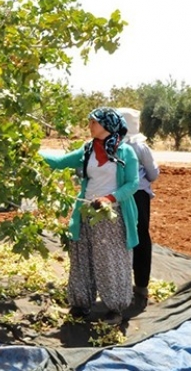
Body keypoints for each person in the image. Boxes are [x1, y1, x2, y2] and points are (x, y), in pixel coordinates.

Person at [40, 107, 140, 325]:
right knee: (82, 256)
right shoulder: (87, 150)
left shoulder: (125, 152)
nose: (90, 126)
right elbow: (59, 162)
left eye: (94, 122)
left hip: (111, 215)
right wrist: (32, 153)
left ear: (107, 125)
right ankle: (81, 303)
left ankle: (115, 307)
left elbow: (133, 183)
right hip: (86, 212)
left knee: (110, 260)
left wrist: (109, 198)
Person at [117, 107, 160, 309]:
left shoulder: (109, 145)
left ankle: (118, 285)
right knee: (141, 236)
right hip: (138, 196)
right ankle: (141, 286)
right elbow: (153, 174)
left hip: (114, 196)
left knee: (118, 237)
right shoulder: (141, 148)